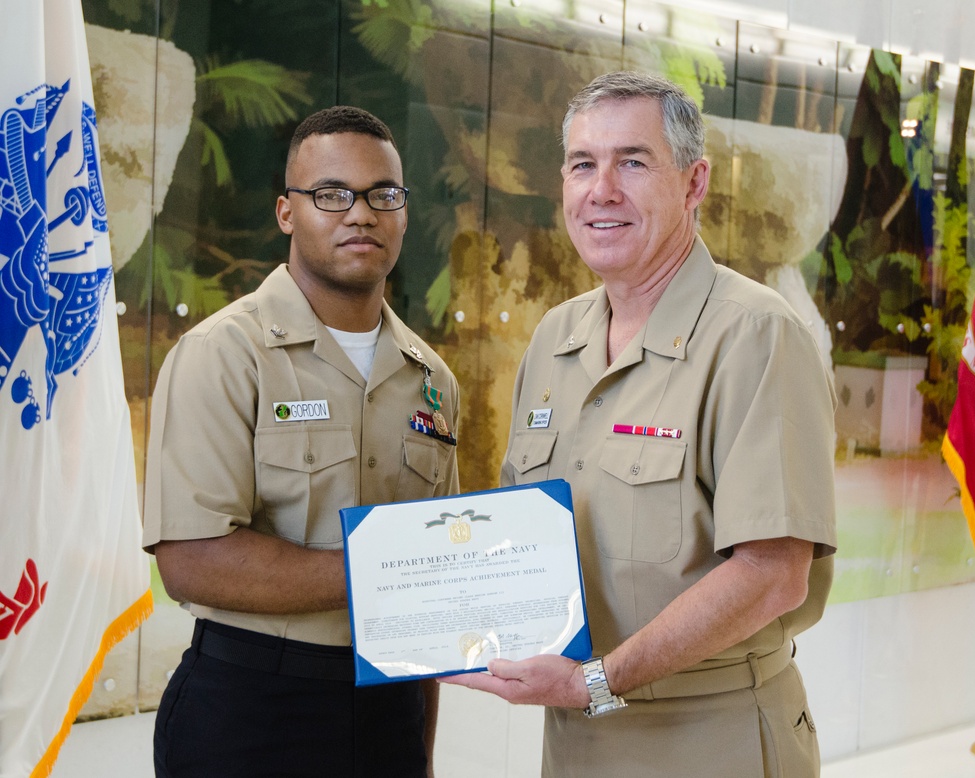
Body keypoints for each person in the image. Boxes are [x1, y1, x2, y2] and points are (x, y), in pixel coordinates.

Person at [442, 71, 837, 777]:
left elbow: (774, 574)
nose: (602, 191)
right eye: (582, 165)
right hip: (577, 741)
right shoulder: (556, 338)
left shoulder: (754, 336)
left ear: (694, 184)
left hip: (712, 738)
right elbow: (519, 537)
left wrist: (596, 682)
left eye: (632, 162)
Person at [143, 106, 460, 777]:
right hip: (252, 709)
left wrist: (420, 751)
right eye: (331, 195)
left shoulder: (431, 378)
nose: (361, 214)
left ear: (403, 212)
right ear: (287, 212)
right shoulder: (225, 353)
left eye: (384, 195)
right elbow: (190, 561)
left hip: (390, 711)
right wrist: (388, 572)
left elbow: (431, 596)